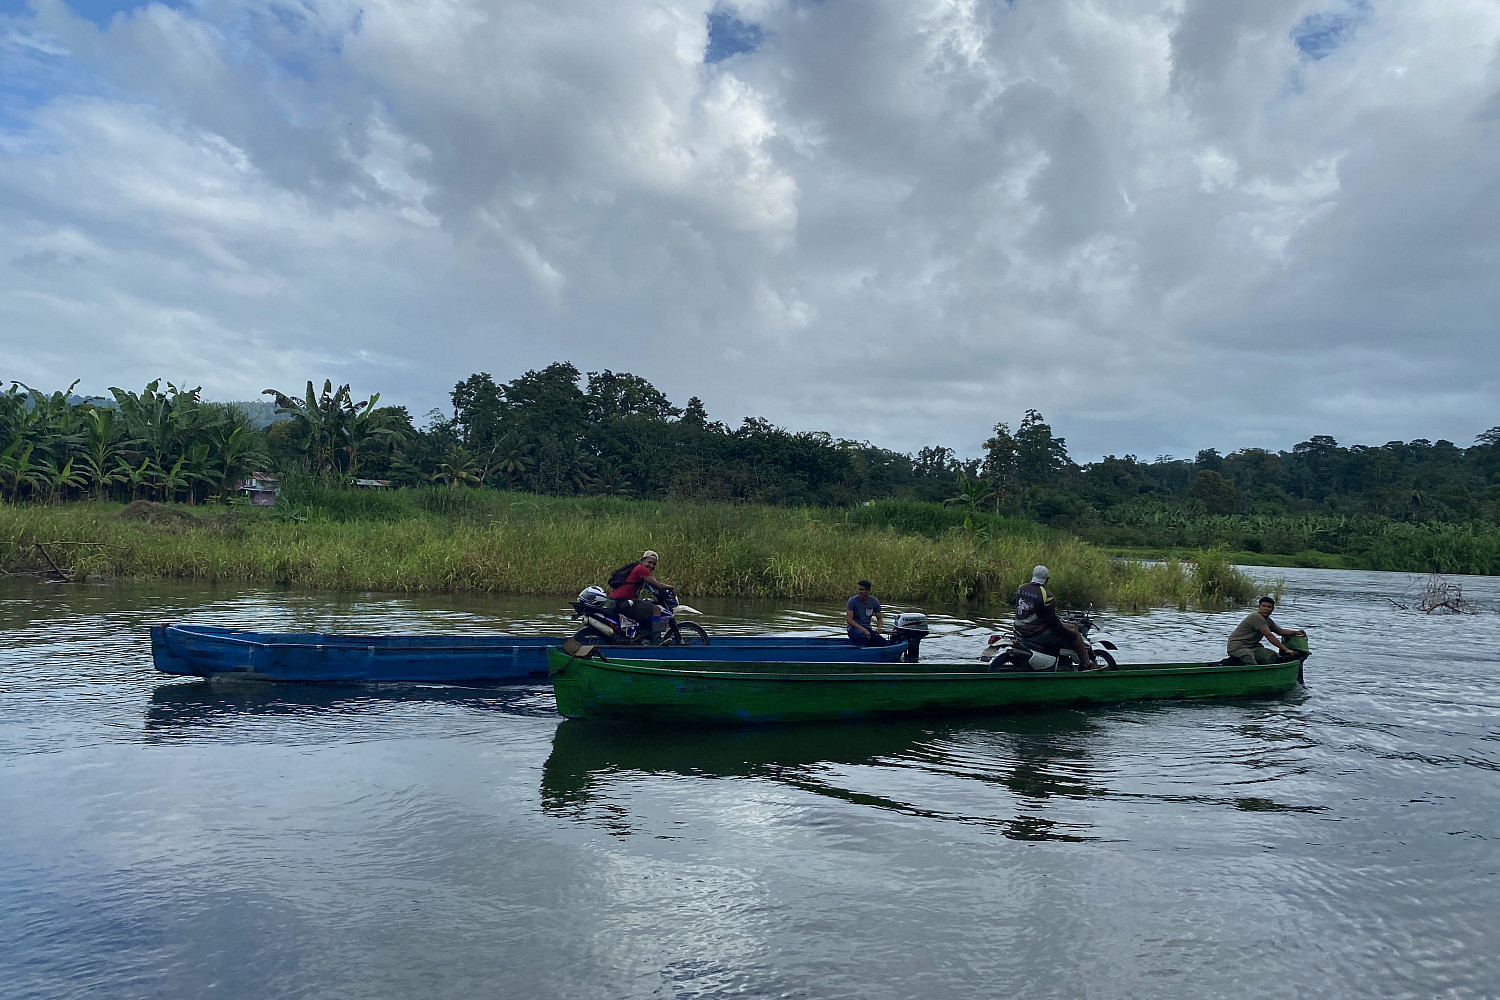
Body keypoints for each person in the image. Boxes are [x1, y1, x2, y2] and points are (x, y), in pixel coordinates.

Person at [1014, 565, 1098, 670]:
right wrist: (1068, 633)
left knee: (1072, 627)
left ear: (1033, 575)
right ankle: (1086, 663)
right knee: (1075, 635)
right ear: (1047, 579)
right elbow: (1054, 623)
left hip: (1019, 629)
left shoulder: (1021, 588)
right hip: (1035, 633)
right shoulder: (1047, 596)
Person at [608, 550, 671, 641]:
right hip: (623, 603)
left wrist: (654, 592)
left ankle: (641, 636)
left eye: (654, 564)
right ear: (643, 560)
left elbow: (649, 586)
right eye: (649, 562)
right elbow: (657, 585)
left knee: (646, 605)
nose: (651, 566)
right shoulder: (641, 569)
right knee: (656, 610)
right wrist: (671, 587)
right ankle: (657, 641)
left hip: (616, 601)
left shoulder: (636, 569)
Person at [1226, 596, 1304, 664]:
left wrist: (1296, 632)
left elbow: (1280, 631)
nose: (1266, 609)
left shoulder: (1267, 620)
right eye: (1263, 606)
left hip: (1253, 647)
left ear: (1272, 609)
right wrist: (1286, 649)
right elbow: (1269, 635)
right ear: (1259, 607)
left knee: (1272, 657)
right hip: (1238, 647)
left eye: (1269, 607)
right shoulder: (1256, 617)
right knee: (1249, 662)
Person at [846, 580, 888, 646]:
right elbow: (849, 620)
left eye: (862, 590)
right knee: (862, 634)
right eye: (859, 589)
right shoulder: (852, 601)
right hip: (853, 629)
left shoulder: (874, 602)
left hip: (867, 628)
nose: (860, 592)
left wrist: (879, 627)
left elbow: (879, 618)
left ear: (868, 591)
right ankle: (862, 648)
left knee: (884, 643)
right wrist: (864, 630)